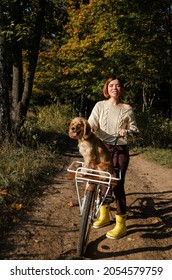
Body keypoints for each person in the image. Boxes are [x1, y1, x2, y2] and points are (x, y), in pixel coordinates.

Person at [88, 75, 139, 239]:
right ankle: (104, 216)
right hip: (101, 147)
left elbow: (135, 129)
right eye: (111, 85)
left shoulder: (127, 108)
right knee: (102, 180)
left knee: (116, 183)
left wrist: (128, 130)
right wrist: (92, 128)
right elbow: (91, 123)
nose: (114, 88)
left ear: (121, 89)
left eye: (117, 86)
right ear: (107, 88)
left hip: (120, 148)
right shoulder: (99, 105)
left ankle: (121, 225)